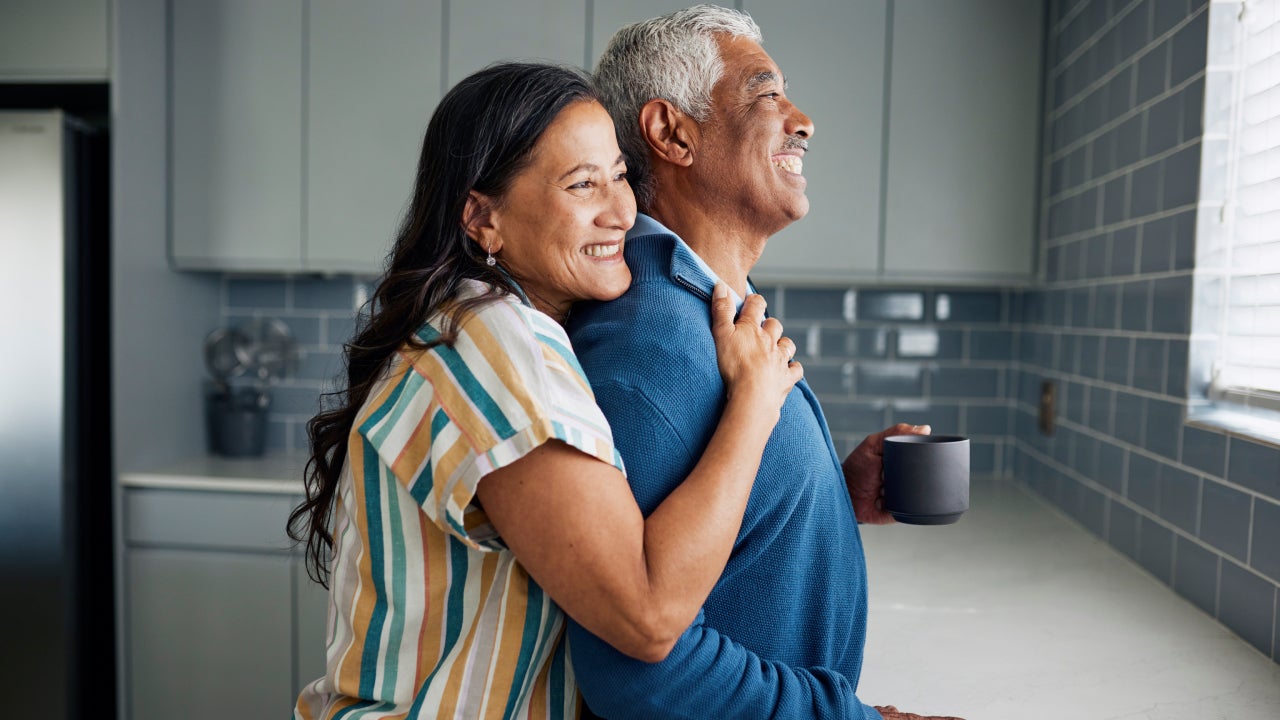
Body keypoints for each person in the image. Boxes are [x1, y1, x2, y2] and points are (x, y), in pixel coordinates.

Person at [287, 61, 805, 719]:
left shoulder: (476, 324)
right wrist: (755, 403)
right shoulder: (496, 346)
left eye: (619, 174)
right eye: (581, 184)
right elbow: (647, 616)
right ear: (483, 219)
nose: (622, 209)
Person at [564, 6, 963, 720]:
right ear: (672, 134)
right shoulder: (649, 344)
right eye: (766, 94)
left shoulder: (710, 311)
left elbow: (713, 545)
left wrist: (830, 495)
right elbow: (642, 677)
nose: (803, 120)